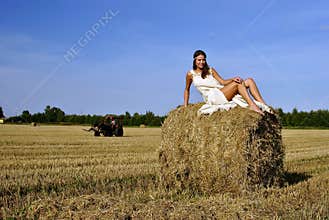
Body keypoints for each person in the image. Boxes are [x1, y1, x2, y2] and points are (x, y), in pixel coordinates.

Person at [184, 50, 272, 115]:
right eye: (199, 60)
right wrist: (185, 106)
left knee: (249, 80)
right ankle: (252, 105)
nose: (201, 62)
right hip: (212, 97)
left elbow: (223, 82)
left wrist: (233, 79)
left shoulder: (210, 70)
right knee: (238, 84)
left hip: (222, 91)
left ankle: (265, 106)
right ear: (195, 61)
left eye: (203, 60)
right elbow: (187, 90)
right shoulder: (190, 74)